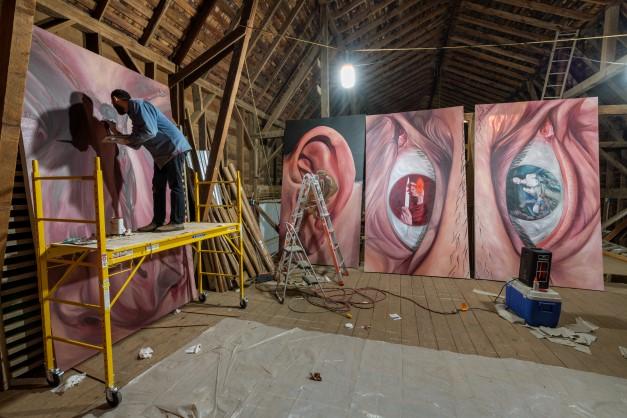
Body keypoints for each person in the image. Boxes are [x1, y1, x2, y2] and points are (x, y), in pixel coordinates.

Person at [104, 89, 191, 232]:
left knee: (175, 184)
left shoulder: (138, 105)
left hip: (173, 147)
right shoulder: (134, 115)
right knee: (158, 186)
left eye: (113, 103)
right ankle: (157, 221)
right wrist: (115, 134)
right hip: (161, 154)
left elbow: (150, 132)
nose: (114, 106)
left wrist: (119, 138)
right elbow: (136, 143)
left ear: (115, 99)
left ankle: (177, 221)